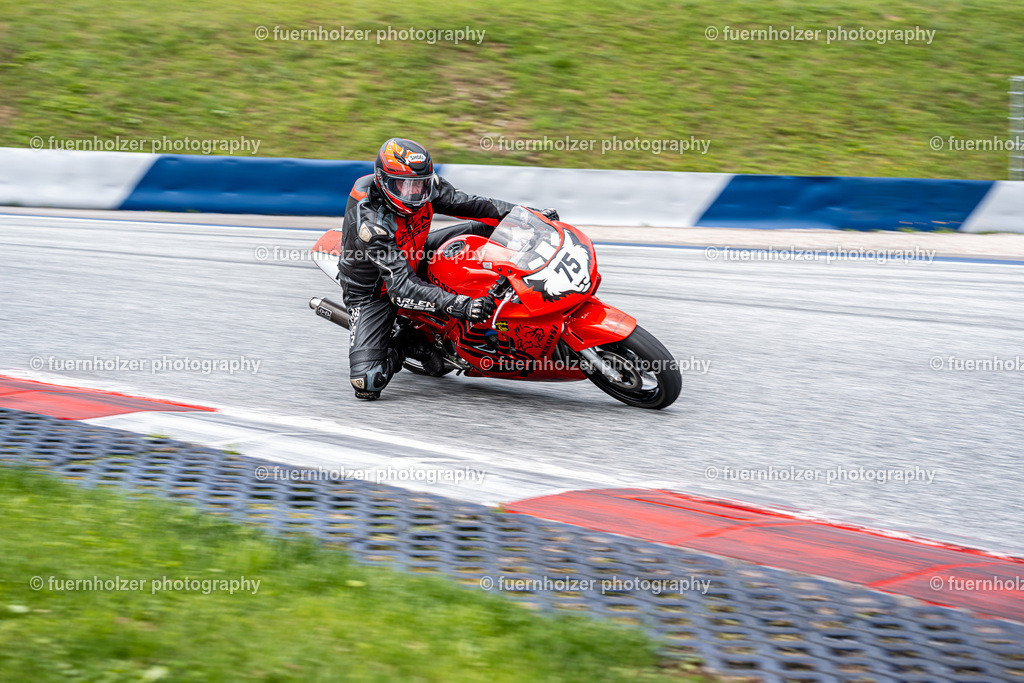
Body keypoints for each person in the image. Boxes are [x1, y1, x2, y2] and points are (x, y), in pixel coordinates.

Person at [336, 137, 557, 400]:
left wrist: (530, 216)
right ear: (383, 181)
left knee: (492, 228)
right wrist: (461, 304)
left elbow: (475, 204)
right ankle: (406, 342)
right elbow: (401, 286)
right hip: (375, 290)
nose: (414, 194)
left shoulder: (427, 187)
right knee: (368, 382)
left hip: (417, 251)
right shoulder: (372, 224)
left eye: (419, 185)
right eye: (404, 187)